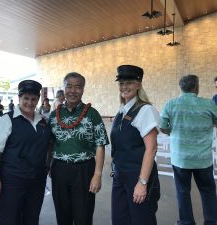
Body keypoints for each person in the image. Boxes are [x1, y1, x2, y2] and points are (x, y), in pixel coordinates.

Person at [0, 80, 52, 225]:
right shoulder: (7, 120)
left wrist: (47, 166)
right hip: (12, 181)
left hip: (36, 181)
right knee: (10, 219)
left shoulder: (43, 122)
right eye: (26, 98)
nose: (29, 102)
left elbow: (49, 146)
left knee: (32, 217)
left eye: (34, 99)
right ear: (19, 98)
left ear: (38, 100)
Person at [48, 72, 109, 225]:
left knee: (84, 214)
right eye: (69, 86)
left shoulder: (92, 114)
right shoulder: (54, 115)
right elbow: (49, 143)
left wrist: (97, 175)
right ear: (64, 88)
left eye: (78, 87)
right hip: (59, 169)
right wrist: (48, 166)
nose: (73, 91)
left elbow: (100, 145)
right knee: (62, 214)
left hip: (84, 170)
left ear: (83, 90)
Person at [160, 74, 217, 225]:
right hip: (203, 159)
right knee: (208, 191)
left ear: (181, 87)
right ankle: (211, 221)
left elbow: (163, 127)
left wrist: (173, 131)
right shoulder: (209, 104)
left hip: (181, 159)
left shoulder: (170, 104)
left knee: (183, 192)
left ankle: (186, 222)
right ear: (196, 87)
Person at [110, 65, 160, 225]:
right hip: (120, 174)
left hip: (137, 175)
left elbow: (151, 149)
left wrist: (142, 183)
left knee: (141, 220)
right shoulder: (122, 111)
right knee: (120, 219)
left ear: (139, 84)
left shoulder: (145, 110)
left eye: (129, 82)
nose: (124, 87)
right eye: (121, 83)